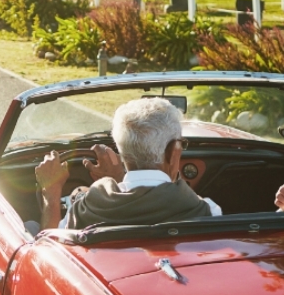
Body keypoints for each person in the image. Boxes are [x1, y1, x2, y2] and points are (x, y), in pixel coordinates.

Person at [35, 97, 221, 231]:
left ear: (122, 151)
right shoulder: (206, 211)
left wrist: (51, 193)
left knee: (30, 226)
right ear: (174, 153)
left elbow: (47, 245)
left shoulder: (84, 210)